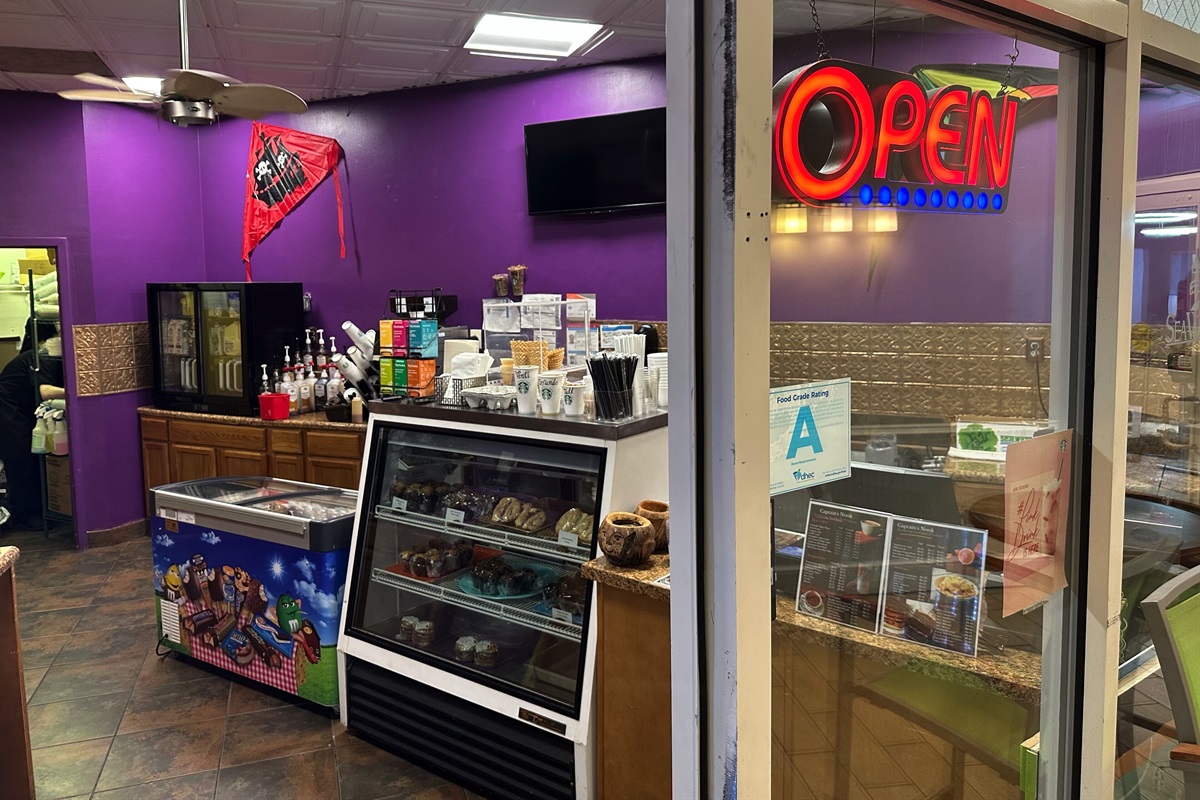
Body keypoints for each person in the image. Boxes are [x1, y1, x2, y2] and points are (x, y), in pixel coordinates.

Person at [0, 328, 65, 531]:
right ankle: (24, 514)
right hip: (8, 407)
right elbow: (45, 391)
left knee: (35, 456)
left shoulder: (54, 359)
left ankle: (38, 508)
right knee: (20, 457)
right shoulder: (43, 357)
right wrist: (74, 391)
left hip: (25, 407)